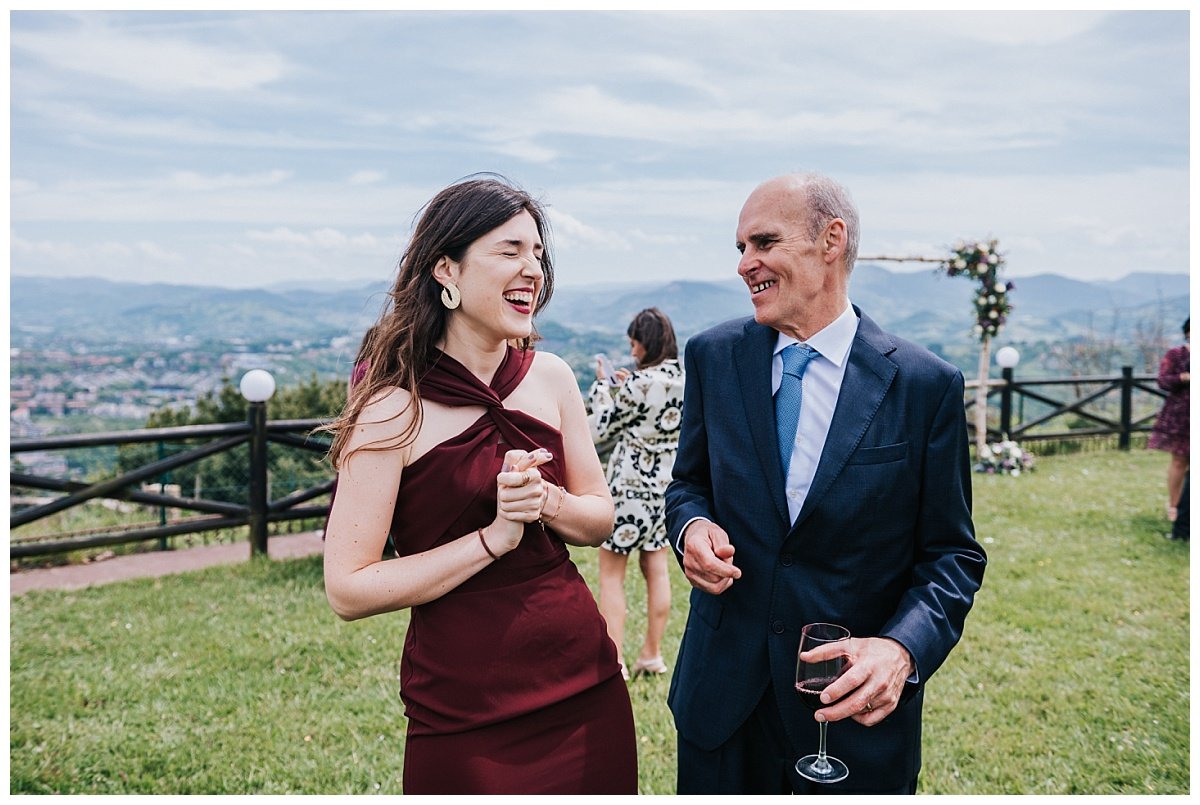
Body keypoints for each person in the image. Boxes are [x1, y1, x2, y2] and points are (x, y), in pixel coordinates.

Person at [664, 172, 987, 794]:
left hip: (848, 716)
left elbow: (952, 555)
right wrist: (692, 528)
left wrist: (901, 651)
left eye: (763, 242)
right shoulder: (712, 356)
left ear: (830, 240)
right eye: (740, 249)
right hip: (720, 704)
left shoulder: (924, 386)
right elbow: (688, 485)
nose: (745, 265)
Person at [322, 176, 638, 794]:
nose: (533, 271)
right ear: (448, 269)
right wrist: (494, 538)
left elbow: (601, 518)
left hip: (585, 685)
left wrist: (546, 500)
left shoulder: (551, 377)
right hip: (465, 709)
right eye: (510, 251)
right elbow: (348, 588)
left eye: (539, 255)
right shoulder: (392, 410)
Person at [587, 308, 685, 679]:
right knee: (656, 570)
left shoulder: (637, 384)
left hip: (628, 491)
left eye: (634, 344)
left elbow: (600, 430)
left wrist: (602, 387)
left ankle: (615, 661)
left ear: (647, 342)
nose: (632, 353)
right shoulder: (683, 379)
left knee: (612, 575)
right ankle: (652, 655)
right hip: (664, 491)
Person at [1148, 318, 1189, 528]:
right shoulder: (1176, 354)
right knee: (1179, 461)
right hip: (1181, 417)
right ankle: (1174, 506)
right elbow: (1163, 381)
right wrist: (1183, 378)